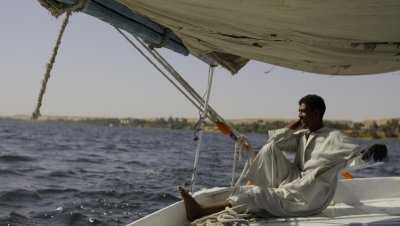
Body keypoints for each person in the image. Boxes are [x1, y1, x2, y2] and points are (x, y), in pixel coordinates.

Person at [178, 94, 387, 221]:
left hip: (308, 198)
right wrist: (299, 123)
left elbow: (357, 158)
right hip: (295, 182)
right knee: (269, 148)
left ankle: (199, 211)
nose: (299, 115)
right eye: (299, 111)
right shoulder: (304, 135)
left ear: (316, 113)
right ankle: (267, 194)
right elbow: (276, 142)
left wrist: (374, 153)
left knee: (257, 195)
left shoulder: (334, 138)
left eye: (303, 112)